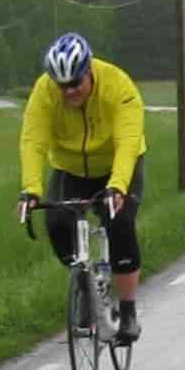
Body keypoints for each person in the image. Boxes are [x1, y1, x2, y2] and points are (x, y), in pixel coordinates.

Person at [16, 32, 149, 343]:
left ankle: (128, 312)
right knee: (57, 222)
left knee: (120, 223)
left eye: (75, 83)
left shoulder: (118, 84)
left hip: (116, 161)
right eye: (62, 86)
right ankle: (83, 286)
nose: (69, 91)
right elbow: (33, 140)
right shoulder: (44, 91)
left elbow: (128, 141)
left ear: (88, 71)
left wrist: (117, 186)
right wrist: (30, 189)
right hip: (70, 165)